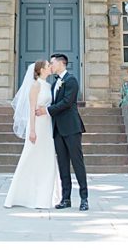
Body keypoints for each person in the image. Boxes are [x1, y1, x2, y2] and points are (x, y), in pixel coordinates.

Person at [35, 52, 89, 210]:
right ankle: (66, 199)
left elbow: (67, 103)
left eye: (52, 63)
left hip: (71, 128)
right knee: (63, 164)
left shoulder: (71, 80)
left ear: (61, 63)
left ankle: (84, 198)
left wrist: (47, 110)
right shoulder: (54, 84)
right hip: (57, 129)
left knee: (77, 163)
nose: (50, 66)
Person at [4, 59, 60, 209]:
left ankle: (45, 197)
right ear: (41, 70)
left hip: (47, 125)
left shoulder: (49, 85)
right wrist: (33, 130)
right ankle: (18, 195)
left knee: (47, 158)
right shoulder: (35, 86)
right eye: (48, 66)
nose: (50, 67)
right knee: (29, 156)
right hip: (37, 125)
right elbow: (32, 109)